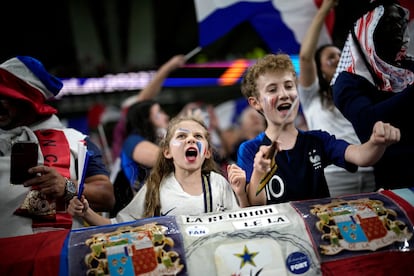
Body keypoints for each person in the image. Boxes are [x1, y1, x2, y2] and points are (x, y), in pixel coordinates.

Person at [236, 53, 400, 206]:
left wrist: (376, 142)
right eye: (272, 90)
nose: (284, 94)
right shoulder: (249, 150)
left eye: (289, 86)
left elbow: (362, 156)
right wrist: (259, 171)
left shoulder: (317, 140)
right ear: (255, 103)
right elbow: (255, 204)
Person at [0, 56, 115, 238]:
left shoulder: (77, 141)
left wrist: (66, 186)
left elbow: (107, 196)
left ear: (30, 101)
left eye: (6, 97)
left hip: (60, 258)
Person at [68, 116, 248, 225]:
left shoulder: (218, 183)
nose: (191, 140)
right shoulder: (155, 188)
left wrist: (240, 193)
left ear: (207, 152)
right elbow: (119, 226)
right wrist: (86, 213)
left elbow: (242, 224)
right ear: (167, 152)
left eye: (198, 136)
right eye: (182, 136)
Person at [331, 0, 414, 190]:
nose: (398, 29)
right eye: (388, 23)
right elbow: (368, 121)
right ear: (367, 29)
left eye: (400, 24)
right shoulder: (348, 82)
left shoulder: (408, 68)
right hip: (398, 184)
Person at [298, 0, 375, 196]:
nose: (337, 59)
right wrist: (324, 10)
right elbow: (306, 57)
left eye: (340, 55)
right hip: (333, 175)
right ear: (319, 70)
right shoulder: (311, 96)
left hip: (370, 169)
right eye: (329, 58)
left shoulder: (356, 90)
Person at [111, 54, 186, 160]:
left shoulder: (155, 137)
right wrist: (168, 67)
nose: (166, 116)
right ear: (145, 117)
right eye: (159, 112)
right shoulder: (134, 141)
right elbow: (174, 160)